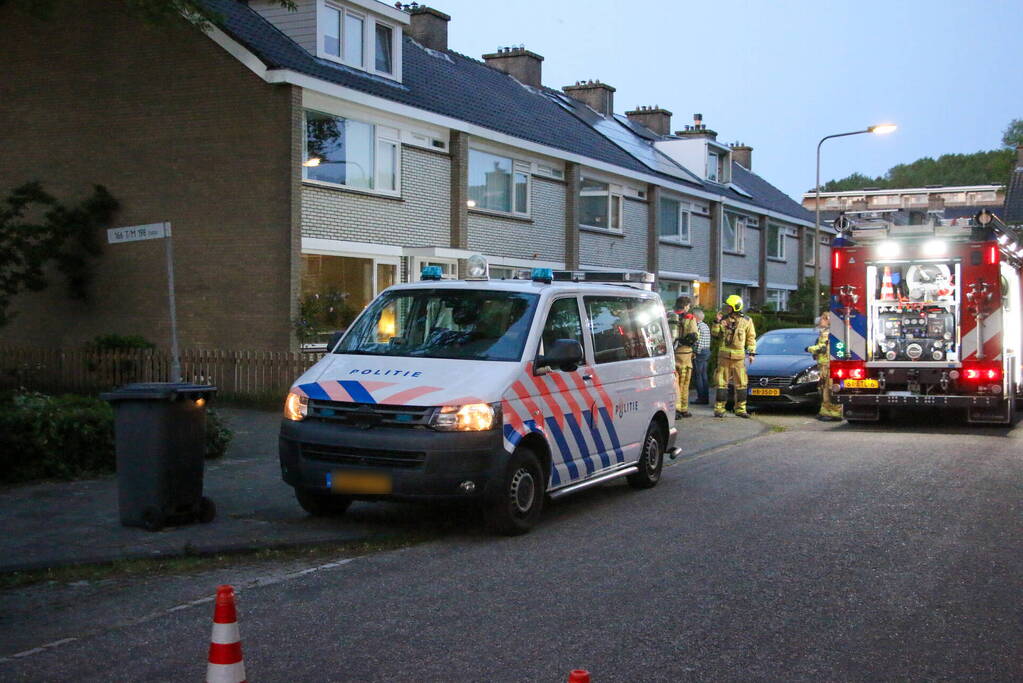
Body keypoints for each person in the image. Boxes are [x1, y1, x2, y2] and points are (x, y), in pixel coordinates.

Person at [710, 294, 756, 418]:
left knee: (741, 384)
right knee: (721, 383)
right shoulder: (723, 319)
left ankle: (740, 409)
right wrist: (716, 322)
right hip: (724, 357)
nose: (727, 308)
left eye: (729, 306)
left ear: (736, 307)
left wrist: (751, 353)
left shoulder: (746, 321)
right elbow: (715, 334)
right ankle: (719, 409)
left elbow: (751, 338)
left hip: (739, 359)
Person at [807, 311, 842, 422]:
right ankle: (825, 411)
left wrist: (809, 349)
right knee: (823, 389)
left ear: (828, 320)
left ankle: (835, 413)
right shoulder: (824, 332)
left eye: (822, 318)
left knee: (829, 389)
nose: (820, 320)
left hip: (828, 366)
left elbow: (822, 348)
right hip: (824, 366)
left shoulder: (828, 334)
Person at [669, 296, 699, 418]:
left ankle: (680, 408)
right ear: (686, 306)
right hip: (685, 355)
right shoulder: (689, 318)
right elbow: (694, 336)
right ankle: (680, 409)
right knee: (683, 383)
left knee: (674, 382)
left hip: (672, 354)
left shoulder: (668, 317)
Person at [692, 308, 711, 404]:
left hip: (700, 353)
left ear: (695, 317)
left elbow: (698, 342)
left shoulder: (698, 327)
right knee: (704, 375)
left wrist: (695, 352)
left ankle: (701, 398)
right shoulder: (706, 326)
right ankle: (706, 397)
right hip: (706, 351)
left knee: (698, 376)